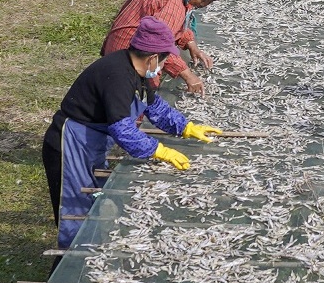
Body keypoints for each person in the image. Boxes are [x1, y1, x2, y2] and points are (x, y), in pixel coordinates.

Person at [43, 17, 222, 247]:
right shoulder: (118, 75)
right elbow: (121, 128)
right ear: (153, 58)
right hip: (69, 144)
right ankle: (70, 265)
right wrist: (158, 150)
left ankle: (94, 249)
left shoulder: (137, 72)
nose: (161, 67)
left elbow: (152, 105)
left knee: (95, 199)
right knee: (76, 209)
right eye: (163, 60)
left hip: (92, 142)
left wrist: (185, 127)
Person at [102, 0, 226, 96]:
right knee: (132, 99)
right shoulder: (171, 4)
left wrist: (191, 45)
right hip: (131, 55)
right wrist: (189, 76)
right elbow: (159, 46)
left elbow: (174, 27)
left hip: (129, 50)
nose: (201, 4)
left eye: (208, 2)